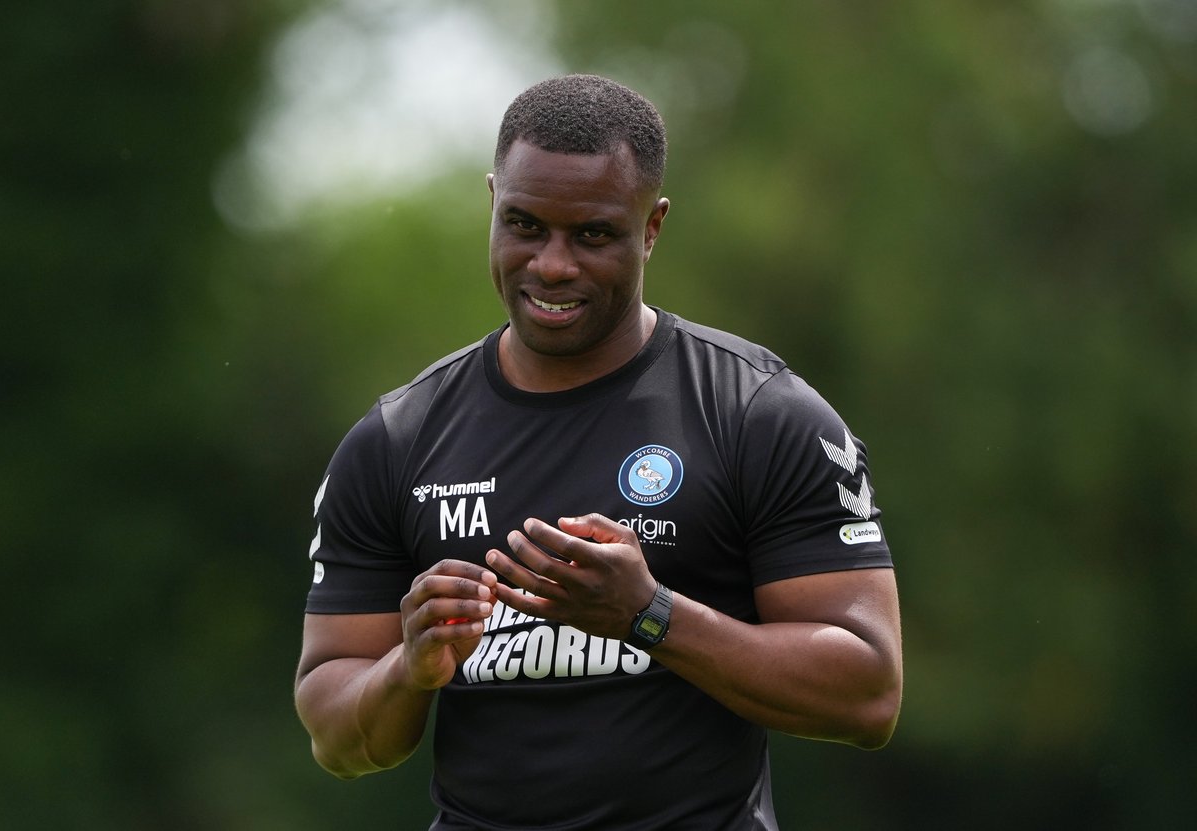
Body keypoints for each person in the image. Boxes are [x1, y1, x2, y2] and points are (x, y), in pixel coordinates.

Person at [295, 74, 902, 830]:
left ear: (651, 227)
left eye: (593, 234)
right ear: (491, 203)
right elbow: (336, 733)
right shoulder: (395, 440)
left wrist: (648, 614)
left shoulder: (758, 413)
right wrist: (407, 668)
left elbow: (869, 693)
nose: (552, 264)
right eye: (523, 224)